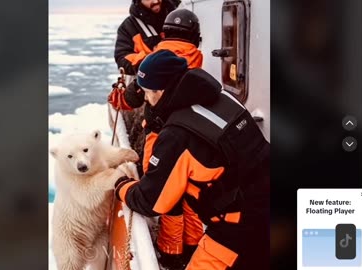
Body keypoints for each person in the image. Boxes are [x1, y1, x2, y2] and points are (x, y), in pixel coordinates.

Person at [113, 50, 270, 269]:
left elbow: (152, 201)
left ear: (162, 90)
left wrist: (121, 185)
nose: (147, 100)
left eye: (148, 93)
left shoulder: (177, 134)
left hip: (240, 226)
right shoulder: (224, 98)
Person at [110, 9, 204, 269]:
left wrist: (117, 98)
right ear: (195, 37)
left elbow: (132, 98)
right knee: (191, 197)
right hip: (193, 140)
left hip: (161, 137)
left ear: (165, 32)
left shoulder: (156, 61)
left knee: (167, 198)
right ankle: (194, 249)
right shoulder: (196, 61)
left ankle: (170, 254)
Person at [114, 0, 180, 75]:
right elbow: (122, 59)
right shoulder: (129, 27)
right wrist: (151, 61)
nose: (155, 1)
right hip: (147, 82)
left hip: (183, 80)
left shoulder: (180, 19)